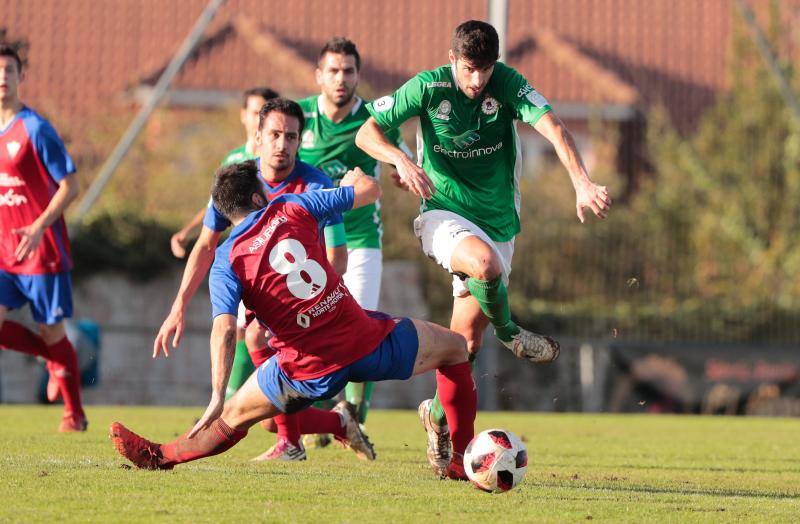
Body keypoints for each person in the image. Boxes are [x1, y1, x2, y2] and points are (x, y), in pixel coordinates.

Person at [355, 20, 612, 474]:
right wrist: (401, 159)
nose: (477, 81)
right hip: (442, 213)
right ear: (453, 59)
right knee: (486, 266)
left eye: (486, 70)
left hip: (498, 222)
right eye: (470, 69)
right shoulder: (427, 87)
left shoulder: (508, 84)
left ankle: (437, 423)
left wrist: (581, 182)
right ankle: (511, 332)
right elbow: (367, 132)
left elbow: (553, 127)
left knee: (463, 346)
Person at [111, 163, 476, 480]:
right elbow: (370, 191)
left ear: (223, 215)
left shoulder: (226, 261)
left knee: (232, 417)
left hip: (306, 369)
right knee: (456, 349)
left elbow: (224, 329)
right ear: (257, 198)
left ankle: (160, 456)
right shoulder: (291, 205)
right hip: (364, 342)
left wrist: (217, 395)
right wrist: (357, 178)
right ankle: (459, 460)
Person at [154, 97, 348, 461]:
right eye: (274, 134)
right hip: (263, 299)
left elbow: (338, 256)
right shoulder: (238, 183)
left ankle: (320, 429)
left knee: (259, 351)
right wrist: (178, 305)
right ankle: (313, 433)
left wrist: (317, 303)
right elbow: (206, 246)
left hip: (310, 303)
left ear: (300, 141)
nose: (282, 144)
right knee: (266, 414)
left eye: (291, 137)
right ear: (257, 136)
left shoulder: (317, 185)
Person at [298, 37, 412, 429]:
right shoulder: (299, 119)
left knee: (360, 330)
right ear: (319, 76)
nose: (341, 78)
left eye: (348, 71)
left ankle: (354, 418)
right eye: (333, 70)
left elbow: (402, 162)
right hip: (307, 246)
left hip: (361, 241)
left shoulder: (375, 121)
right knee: (308, 331)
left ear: (358, 75)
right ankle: (312, 421)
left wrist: (403, 174)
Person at [170, 87, 278, 400]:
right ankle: (231, 403)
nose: (259, 118)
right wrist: (187, 230)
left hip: (275, 258)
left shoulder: (276, 159)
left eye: (265, 112)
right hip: (245, 256)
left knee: (257, 333)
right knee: (244, 331)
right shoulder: (233, 159)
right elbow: (216, 207)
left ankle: (243, 406)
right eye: (255, 111)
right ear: (243, 116)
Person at [0, 45, 86, 432]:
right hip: (4, 251)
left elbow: (71, 185)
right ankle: (50, 357)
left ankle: (75, 413)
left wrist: (37, 227)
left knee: (53, 331)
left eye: (9, 70)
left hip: (40, 251)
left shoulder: (34, 128)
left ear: (21, 77)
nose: (3, 77)